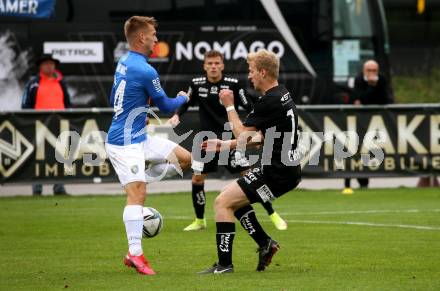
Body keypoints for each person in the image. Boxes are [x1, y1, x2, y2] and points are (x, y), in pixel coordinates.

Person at [197, 49, 301, 274]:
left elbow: (243, 133)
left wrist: (229, 105)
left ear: (263, 72)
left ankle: (224, 265)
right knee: (234, 201)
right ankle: (265, 244)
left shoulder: (269, 100)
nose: (250, 76)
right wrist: (226, 145)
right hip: (285, 170)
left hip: (277, 172)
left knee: (222, 203)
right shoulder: (281, 94)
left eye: (252, 71)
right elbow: (261, 137)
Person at [105, 16, 191, 276]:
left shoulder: (124, 62)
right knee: (137, 195)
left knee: (184, 158)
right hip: (124, 143)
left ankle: (137, 182)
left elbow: (113, 97)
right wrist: (182, 98)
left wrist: (138, 109)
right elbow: (166, 106)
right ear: (142, 37)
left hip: (139, 137)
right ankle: (135, 253)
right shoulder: (146, 70)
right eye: (153, 34)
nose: (156, 38)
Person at [168, 50, 288, 231]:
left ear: (222, 65)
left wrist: (258, 122)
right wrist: (176, 115)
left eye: (217, 63)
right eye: (210, 64)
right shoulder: (196, 83)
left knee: (249, 177)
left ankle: (272, 214)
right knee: (197, 179)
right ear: (204, 66)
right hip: (206, 142)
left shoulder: (233, 84)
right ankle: (199, 221)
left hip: (229, 140)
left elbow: (247, 104)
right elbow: (185, 103)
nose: (213, 67)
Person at [22, 54, 71, 196]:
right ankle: (37, 188)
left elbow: (68, 104)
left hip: (59, 125)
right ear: (40, 66)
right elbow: (25, 105)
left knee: (61, 156)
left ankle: (59, 187)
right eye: (46, 64)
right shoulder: (33, 83)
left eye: (51, 63)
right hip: (39, 126)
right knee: (39, 157)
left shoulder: (61, 82)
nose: (49, 66)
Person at [342, 59, 393, 195]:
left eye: (374, 70)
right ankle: (347, 183)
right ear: (364, 71)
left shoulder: (382, 80)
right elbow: (357, 98)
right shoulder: (358, 79)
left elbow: (385, 99)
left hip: (377, 123)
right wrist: (371, 87)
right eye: (369, 70)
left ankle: (364, 183)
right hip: (359, 123)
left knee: (371, 151)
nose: (372, 73)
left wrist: (372, 89)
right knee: (354, 150)